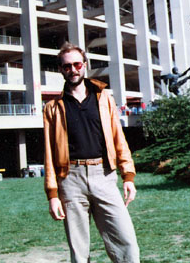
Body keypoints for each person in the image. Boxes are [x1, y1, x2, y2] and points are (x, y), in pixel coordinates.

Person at [43, 42, 140, 263]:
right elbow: (49, 153)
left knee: (127, 244)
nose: (73, 70)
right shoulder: (52, 108)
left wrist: (128, 176)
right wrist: (52, 194)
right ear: (61, 70)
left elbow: (119, 139)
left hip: (104, 175)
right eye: (67, 66)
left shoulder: (104, 98)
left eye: (77, 64)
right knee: (79, 251)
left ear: (84, 65)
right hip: (71, 180)